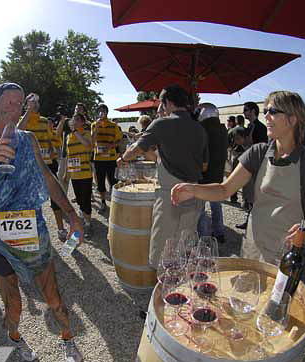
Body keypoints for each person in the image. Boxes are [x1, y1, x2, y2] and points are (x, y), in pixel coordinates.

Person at [0, 82, 84, 362]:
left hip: (30, 228)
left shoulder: (28, 139)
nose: (14, 106)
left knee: (53, 297)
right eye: (7, 101)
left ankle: (68, 338)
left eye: (19, 102)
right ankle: (15, 338)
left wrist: (71, 214)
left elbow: (47, 176)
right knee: (13, 304)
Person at [172, 91, 305, 265]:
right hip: (253, 244)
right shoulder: (258, 152)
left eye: (273, 111)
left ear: (293, 119)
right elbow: (225, 189)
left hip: (286, 250)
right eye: (266, 111)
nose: (266, 116)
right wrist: (194, 190)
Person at [118, 84, 207, 271]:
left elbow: (136, 149)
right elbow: (204, 166)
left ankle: (165, 293)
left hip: (170, 197)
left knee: (164, 251)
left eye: (162, 102)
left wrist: (122, 158)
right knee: (186, 248)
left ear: (168, 102)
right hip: (194, 193)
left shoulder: (162, 124)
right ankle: (184, 289)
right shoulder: (199, 129)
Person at [17, 95, 68, 241]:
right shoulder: (22, 121)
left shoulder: (45, 121)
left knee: (55, 197)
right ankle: (34, 231)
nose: (35, 103)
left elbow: (50, 139)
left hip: (47, 164)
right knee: (31, 200)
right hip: (29, 168)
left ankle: (61, 228)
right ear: (26, 104)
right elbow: (16, 132)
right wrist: (28, 111)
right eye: (31, 100)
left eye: (37, 101)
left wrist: (52, 148)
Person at [195, 103, 228, 243]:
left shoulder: (201, 130)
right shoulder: (223, 129)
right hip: (217, 174)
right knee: (216, 205)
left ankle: (204, 237)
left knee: (201, 209)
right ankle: (219, 232)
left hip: (203, 174)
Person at [237, 102, 269, 230]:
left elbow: (261, 149)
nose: (244, 112)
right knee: (249, 195)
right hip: (248, 164)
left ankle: (254, 223)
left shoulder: (260, 127)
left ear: (253, 111)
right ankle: (249, 221)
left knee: (254, 195)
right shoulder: (249, 126)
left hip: (256, 167)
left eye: (246, 110)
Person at [66, 113, 94, 238]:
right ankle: (83, 216)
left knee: (86, 199)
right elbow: (68, 155)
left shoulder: (86, 133)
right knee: (79, 199)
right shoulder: (68, 136)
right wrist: (67, 174)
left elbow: (88, 145)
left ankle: (88, 223)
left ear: (83, 122)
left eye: (77, 120)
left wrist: (75, 132)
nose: (75, 121)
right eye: (73, 119)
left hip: (85, 172)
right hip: (75, 174)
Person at [91, 104, 122, 212]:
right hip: (99, 158)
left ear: (107, 113)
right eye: (99, 111)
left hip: (111, 158)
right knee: (100, 182)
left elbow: (119, 140)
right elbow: (92, 141)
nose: (101, 113)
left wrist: (111, 145)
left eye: (103, 111)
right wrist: (97, 127)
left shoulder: (113, 125)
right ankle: (103, 202)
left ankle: (115, 202)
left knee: (113, 180)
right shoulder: (94, 125)